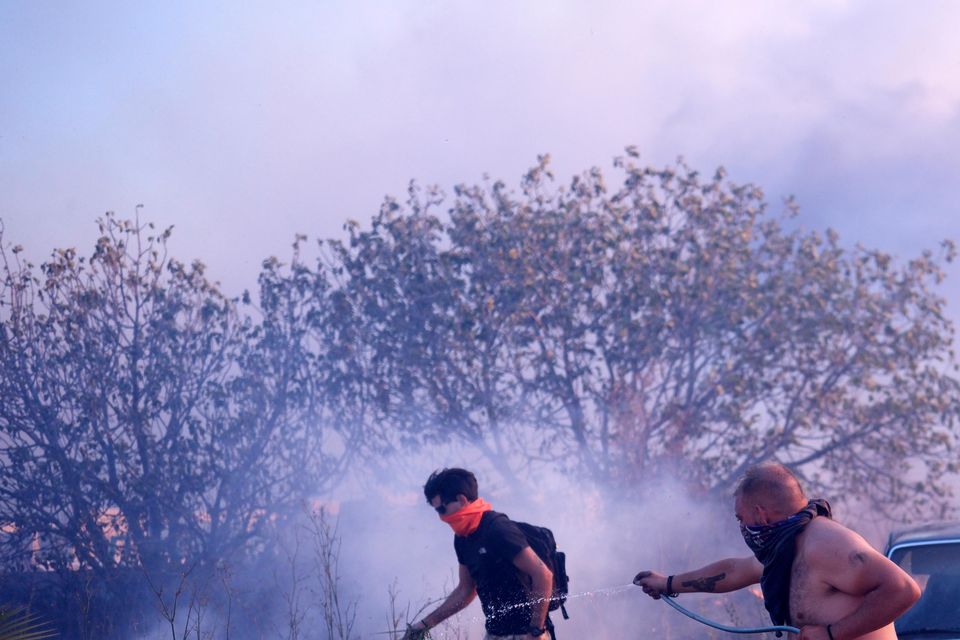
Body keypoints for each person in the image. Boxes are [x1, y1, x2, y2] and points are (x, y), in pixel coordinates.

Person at [633, 462, 920, 640]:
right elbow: (734, 571)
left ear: (761, 515)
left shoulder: (826, 544)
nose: (741, 525)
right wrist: (668, 583)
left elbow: (904, 589)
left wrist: (833, 634)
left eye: (740, 517)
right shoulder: (785, 550)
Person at [401, 468, 554, 640]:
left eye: (442, 509)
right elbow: (465, 590)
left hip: (525, 634)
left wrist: (536, 630)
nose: (441, 517)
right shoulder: (462, 538)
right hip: (495, 634)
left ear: (461, 499)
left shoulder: (498, 529)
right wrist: (424, 625)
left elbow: (543, 574)